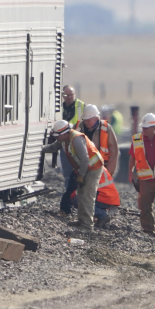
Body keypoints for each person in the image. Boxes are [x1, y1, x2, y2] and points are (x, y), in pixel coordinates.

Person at [42, 120, 104, 231]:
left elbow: (85, 159)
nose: (57, 138)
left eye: (58, 136)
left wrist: (81, 175)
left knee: (87, 196)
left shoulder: (76, 139)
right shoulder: (65, 139)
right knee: (81, 194)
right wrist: (40, 149)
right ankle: (81, 220)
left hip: (93, 168)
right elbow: (53, 147)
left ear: (65, 133)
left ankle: (87, 225)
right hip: (84, 168)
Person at [58, 85, 85, 215]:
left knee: (79, 176)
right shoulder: (58, 107)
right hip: (65, 146)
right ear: (62, 96)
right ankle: (72, 201)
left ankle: (77, 202)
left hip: (78, 145)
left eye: (72, 94)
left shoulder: (81, 107)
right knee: (68, 176)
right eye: (67, 95)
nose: (70, 97)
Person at [80, 104, 119, 178]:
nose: (86, 122)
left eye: (89, 119)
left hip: (102, 168)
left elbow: (114, 151)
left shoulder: (106, 128)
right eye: (85, 119)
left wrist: (109, 172)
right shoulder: (78, 127)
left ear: (96, 118)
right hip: (83, 168)